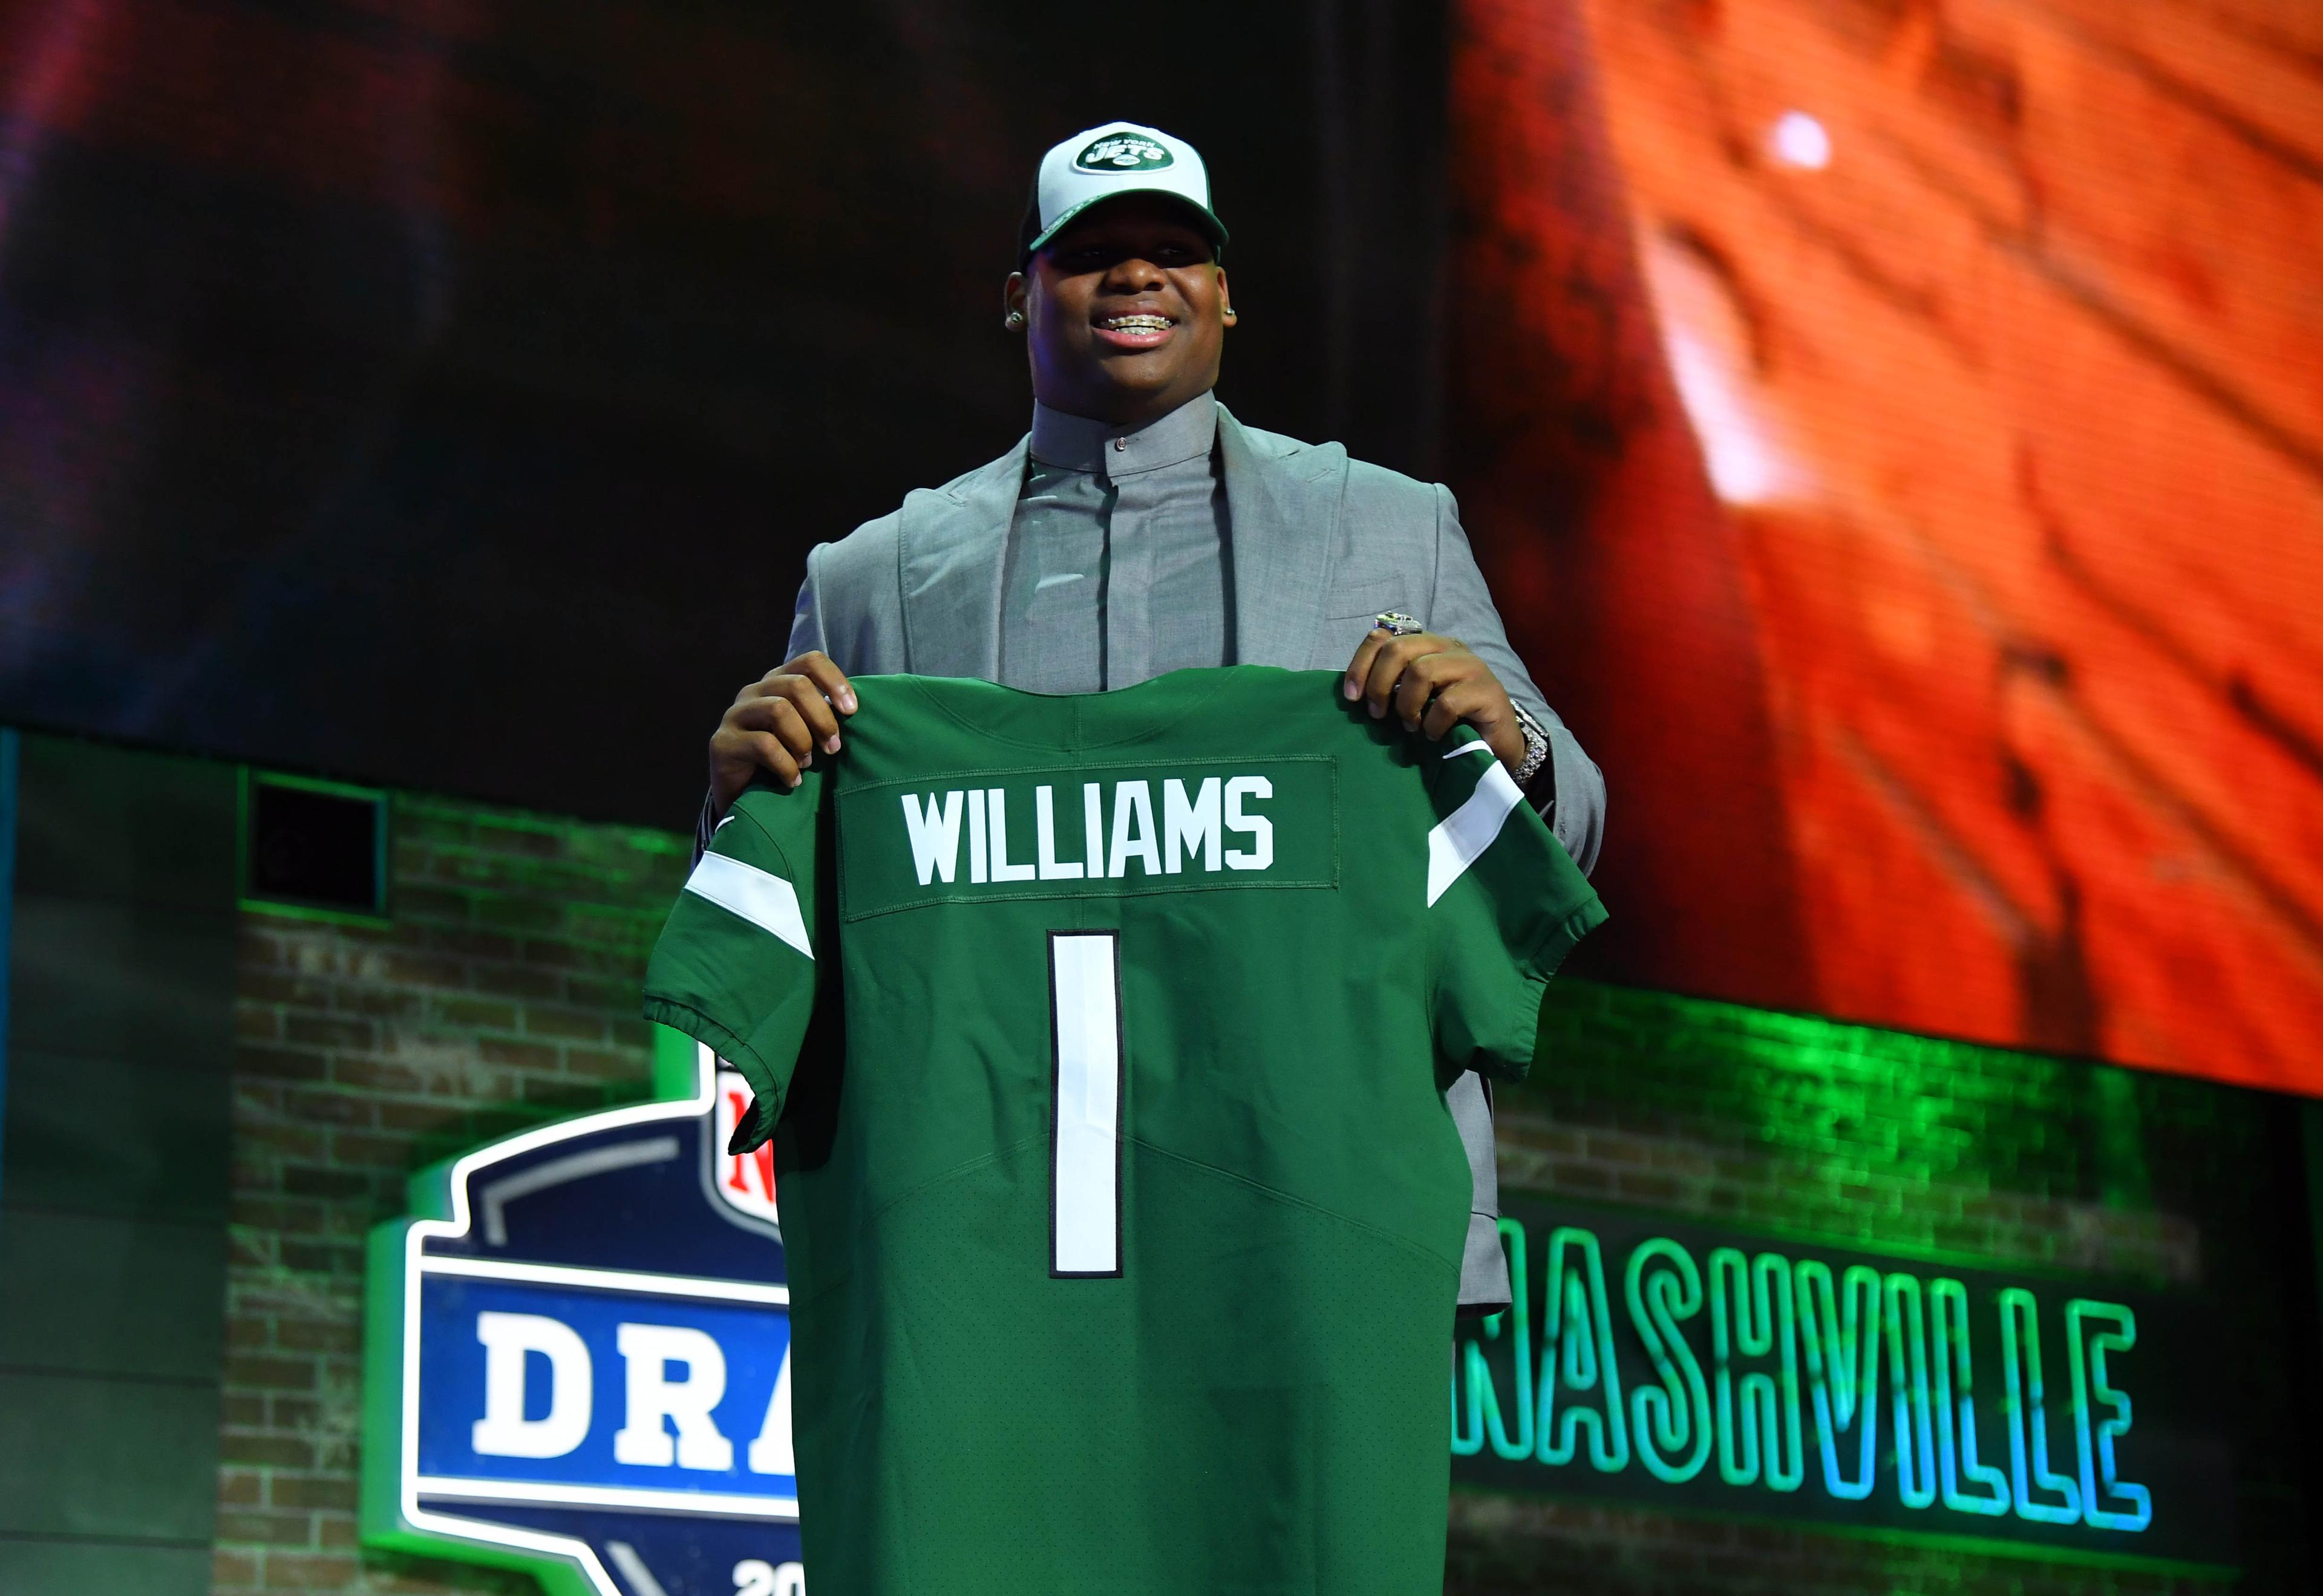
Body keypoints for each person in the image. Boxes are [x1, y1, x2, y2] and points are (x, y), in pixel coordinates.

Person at [699, 120, 1604, 1311]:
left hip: (1318, 1220)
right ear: (1020, 298)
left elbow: (1571, 833)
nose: (1136, 275)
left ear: (1224, 299)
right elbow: (791, 906)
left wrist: (1513, 745)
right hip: (987, 1230)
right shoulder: (876, 576)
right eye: (1092, 253)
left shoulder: (1383, 526)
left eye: (1174, 249)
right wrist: (729, 802)